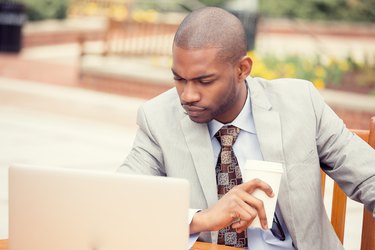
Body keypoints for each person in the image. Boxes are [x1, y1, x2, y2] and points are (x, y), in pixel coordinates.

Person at [118, 6, 375, 250]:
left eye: (204, 81)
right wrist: (202, 219)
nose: (187, 95)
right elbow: (120, 199)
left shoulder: (300, 104)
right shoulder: (158, 119)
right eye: (179, 79)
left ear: (242, 69)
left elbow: (368, 176)